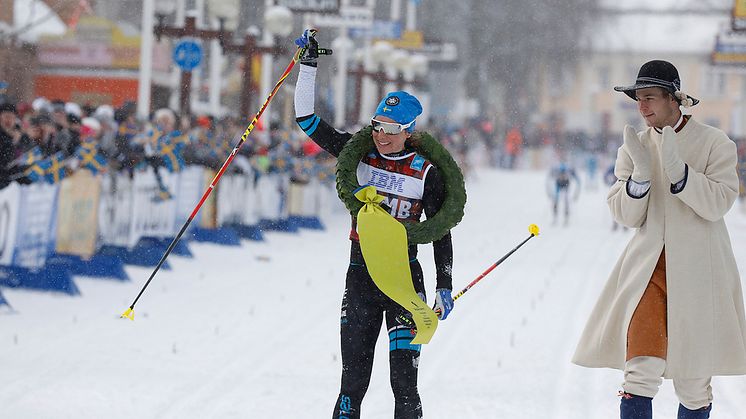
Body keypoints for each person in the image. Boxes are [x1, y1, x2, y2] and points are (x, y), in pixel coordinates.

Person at [293, 29, 456, 419]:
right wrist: (308, 66)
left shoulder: (425, 172)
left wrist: (444, 284)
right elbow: (306, 119)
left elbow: (439, 230)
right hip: (361, 277)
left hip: (404, 282)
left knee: (404, 385)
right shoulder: (358, 153)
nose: (381, 135)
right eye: (377, 125)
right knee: (353, 383)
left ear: (409, 131)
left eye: (392, 129)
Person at [572, 60, 746, 419]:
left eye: (650, 97)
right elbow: (625, 215)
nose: (642, 106)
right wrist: (639, 177)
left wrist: (680, 173)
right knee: (639, 370)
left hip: (702, 274)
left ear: (674, 99)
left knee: (694, 382)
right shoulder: (634, 146)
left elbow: (719, 204)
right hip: (649, 273)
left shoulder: (715, 144)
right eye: (638, 98)